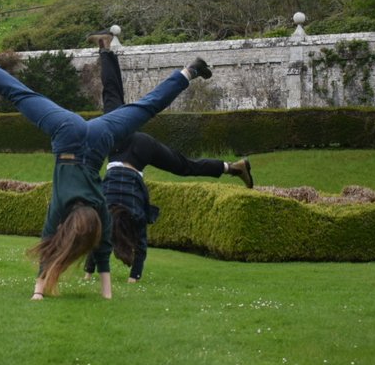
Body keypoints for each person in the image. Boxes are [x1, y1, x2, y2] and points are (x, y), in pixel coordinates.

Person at [0, 44, 212, 300]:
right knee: (22, 96)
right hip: (68, 133)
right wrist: (38, 291)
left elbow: (103, 248)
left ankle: (190, 71)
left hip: (96, 139)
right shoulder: (61, 206)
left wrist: (104, 294)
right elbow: (52, 244)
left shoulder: (99, 205)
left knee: (145, 108)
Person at [84, 27, 253, 283]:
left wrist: (127, 277)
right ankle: (105, 48)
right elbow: (95, 238)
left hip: (140, 152)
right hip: (117, 146)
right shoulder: (104, 214)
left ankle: (233, 167)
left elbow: (128, 242)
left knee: (186, 166)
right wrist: (88, 271)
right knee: (113, 96)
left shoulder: (131, 216)